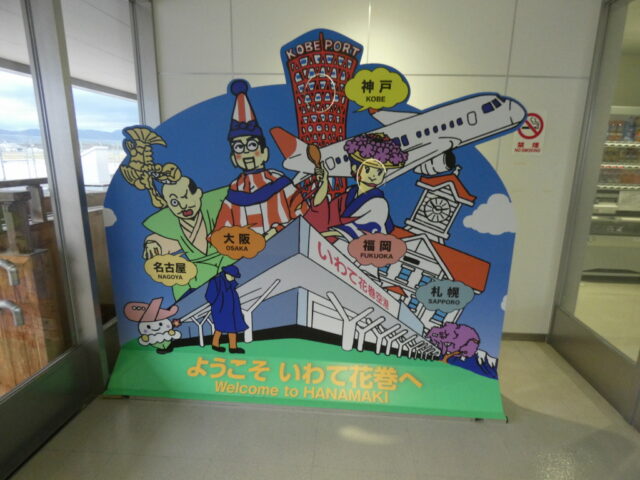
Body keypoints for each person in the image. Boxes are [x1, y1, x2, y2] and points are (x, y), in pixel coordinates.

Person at [214, 79, 308, 240]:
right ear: (234, 158)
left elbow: (302, 213)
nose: (246, 152)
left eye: (252, 145)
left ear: (265, 152)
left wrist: (277, 231)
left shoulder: (279, 182)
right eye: (239, 147)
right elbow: (221, 232)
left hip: (285, 247)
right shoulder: (235, 190)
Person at [142, 175, 235, 300]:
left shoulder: (216, 208)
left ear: (198, 194)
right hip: (200, 271)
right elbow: (166, 240)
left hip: (226, 261)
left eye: (185, 197)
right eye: (174, 202)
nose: (183, 206)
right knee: (180, 282)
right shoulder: (175, 227)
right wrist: (153, 244)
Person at [308, 132, 407, 242]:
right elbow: (323, 213)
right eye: (368, 169)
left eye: (379, 172)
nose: (373, 176)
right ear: (355, 168)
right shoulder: (348, 195)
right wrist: (324, 182)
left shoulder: (379, 203)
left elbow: (367, 230)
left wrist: (330, 233)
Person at [205, 265, 247, 354]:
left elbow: (234, 298)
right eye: (232, 275)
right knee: (220, 327)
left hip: (232, 310)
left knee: (232, 327)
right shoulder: (216, 281)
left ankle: (233, 347)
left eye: (234, 276)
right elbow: (210, 296)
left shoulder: (231, 284)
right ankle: (215, 344)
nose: (233, 278)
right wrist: (218, 303)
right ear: (226, 273)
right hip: (220, 309)